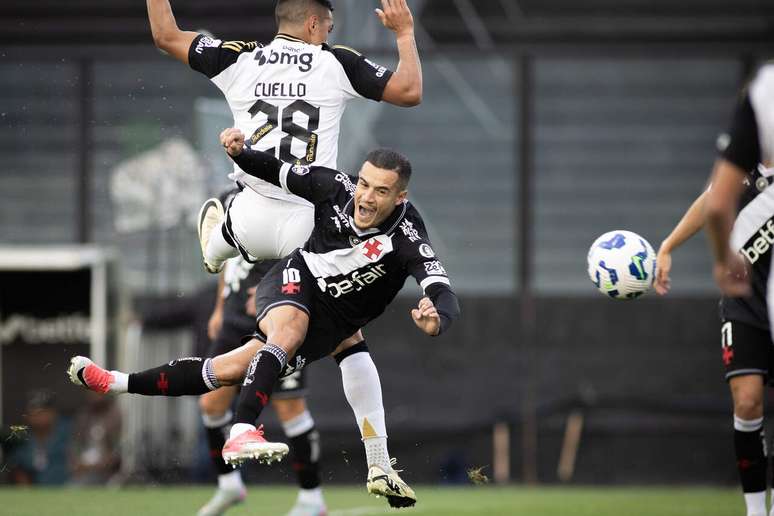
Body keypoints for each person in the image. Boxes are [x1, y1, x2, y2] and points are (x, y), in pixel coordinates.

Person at [69, 135, 460, 508]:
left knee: (228, 369)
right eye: (365, 184)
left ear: (400, 197)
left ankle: (117, 382)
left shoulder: (407, 236)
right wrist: (240, 153)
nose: (366, 197)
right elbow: (277, 169)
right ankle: (242, 429)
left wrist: (437, 318)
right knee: (290, 331)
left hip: (333, 322)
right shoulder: (335, 187)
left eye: (381, 191)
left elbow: (441, 287)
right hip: (293, 280)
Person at [146, 0, 422, 508]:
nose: (329, 33)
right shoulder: (335, 61)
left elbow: (166, 34)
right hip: (306, 222)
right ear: (315, 25)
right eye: (329, 26)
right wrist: (404, 32)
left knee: (248, 327)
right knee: (346, 336)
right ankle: (378, 460)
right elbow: (409, 90)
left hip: (252, 212)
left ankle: (220, 237)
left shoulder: (239, 59)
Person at [199, 191, 326, 516]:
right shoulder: (230, 196)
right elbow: (225, 256)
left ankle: (312, 498)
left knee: (290, 408)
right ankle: (229, 486)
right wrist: (219, 308)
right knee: (210, 402)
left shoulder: (290, 193)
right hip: (233, 314)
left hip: (274, 314)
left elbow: (309, 248)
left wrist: (278, 288)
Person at [695, 62, 774, 516]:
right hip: (748, 299)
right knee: (746, 399)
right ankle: (754, 510)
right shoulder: (742, 166)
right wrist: (668, 247)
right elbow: (711, 202)